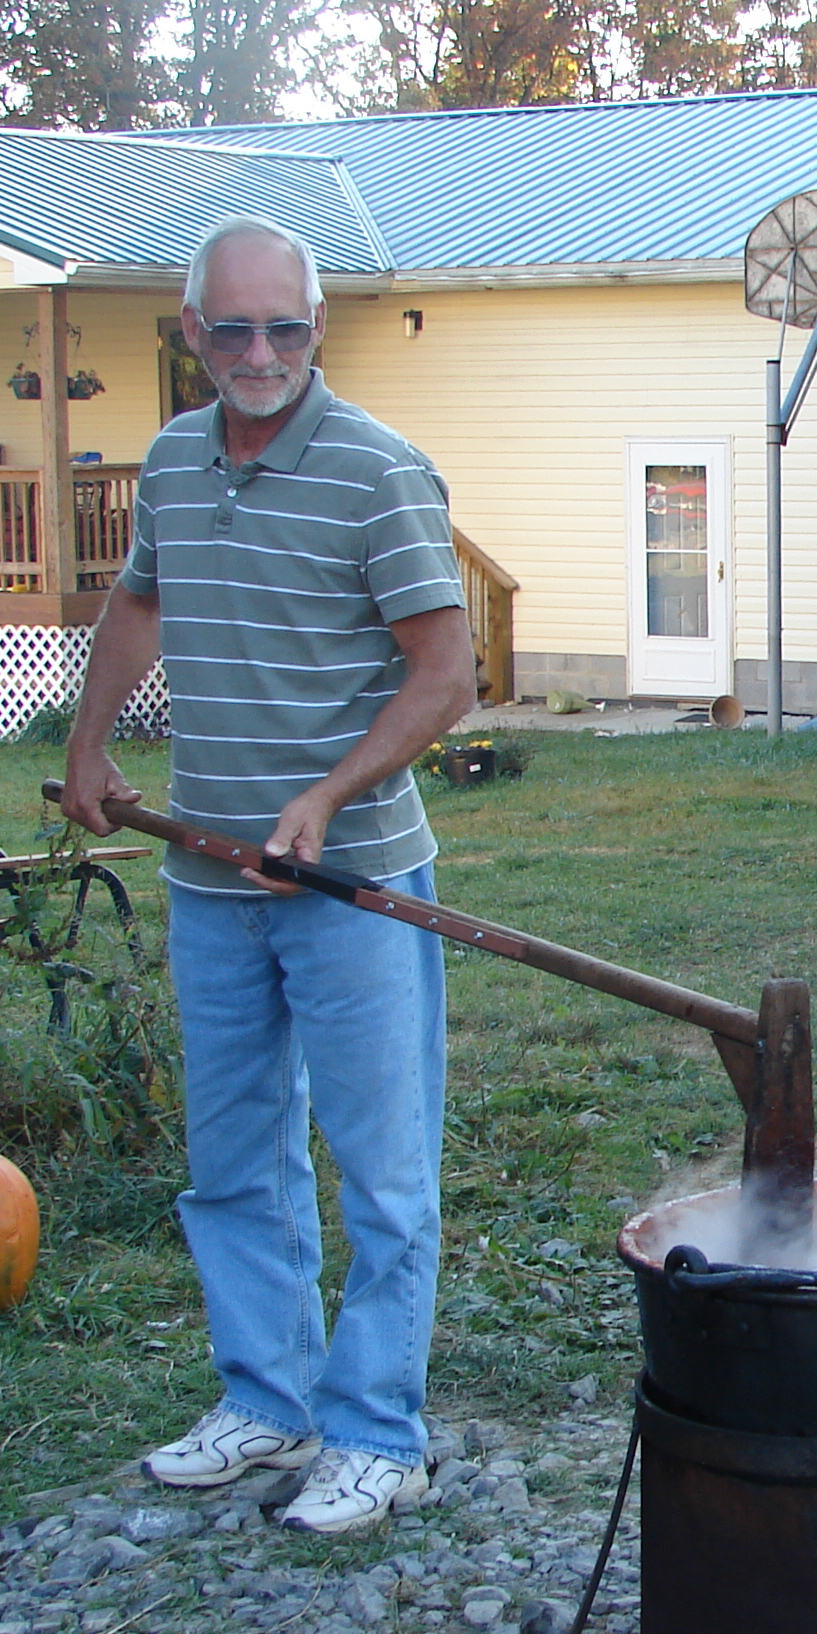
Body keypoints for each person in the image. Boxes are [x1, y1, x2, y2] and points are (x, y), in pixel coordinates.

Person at [62, 214, 478, 1535]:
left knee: (384, 1172)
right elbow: (141, 599)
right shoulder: (176, 463)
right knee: (233, 1160)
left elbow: (447, 675)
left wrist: (328, 793)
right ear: (191, 332)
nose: (258, 352)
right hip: (210, 878)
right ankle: (269, 1399)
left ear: (317, 329)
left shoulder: (377, 471)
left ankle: (375, 1434)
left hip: (352, 885)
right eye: (231, 327)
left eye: (283, 327)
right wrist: (88, 744)